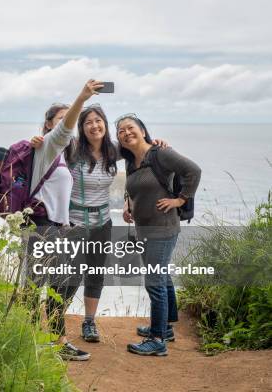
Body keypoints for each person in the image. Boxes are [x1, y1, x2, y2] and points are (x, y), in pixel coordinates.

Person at [30, 105, 168, 346]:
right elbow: (53, 143)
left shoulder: (114, 150)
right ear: (81, 129)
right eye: (88, 123)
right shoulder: (72, 149)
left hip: (103, 222)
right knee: (67, 278)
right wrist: (38, 140)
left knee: (95, 274)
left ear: (105, 124)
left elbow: (139, 155)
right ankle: (55, 327)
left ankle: (89, 322)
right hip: (74, 224)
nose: (94, 126)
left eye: (98, 121)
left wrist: (155, 143)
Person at [24, 79, 105, 361]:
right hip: (40, 227)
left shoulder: (62, 153)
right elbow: (65, 129)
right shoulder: (48, 145)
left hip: (57, 228)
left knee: (59, 283)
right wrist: (82, 98)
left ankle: (47, 341)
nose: (68, 125)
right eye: (61, 120)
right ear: (49, 126)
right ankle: (37, 344)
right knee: (37, 285)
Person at [116, 113, 201, 356]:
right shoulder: (131, 161)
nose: (126, 133)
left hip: (162, 228)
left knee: (154, 283)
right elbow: (130, 186)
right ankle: (165, 328)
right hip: (145, 228)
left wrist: (180, 199)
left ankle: (157, 340)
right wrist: (126, 203)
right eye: (121, 131)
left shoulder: (161, 153)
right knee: (162, 277)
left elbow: (193, 171)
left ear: (142, 130)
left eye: (130, 127)